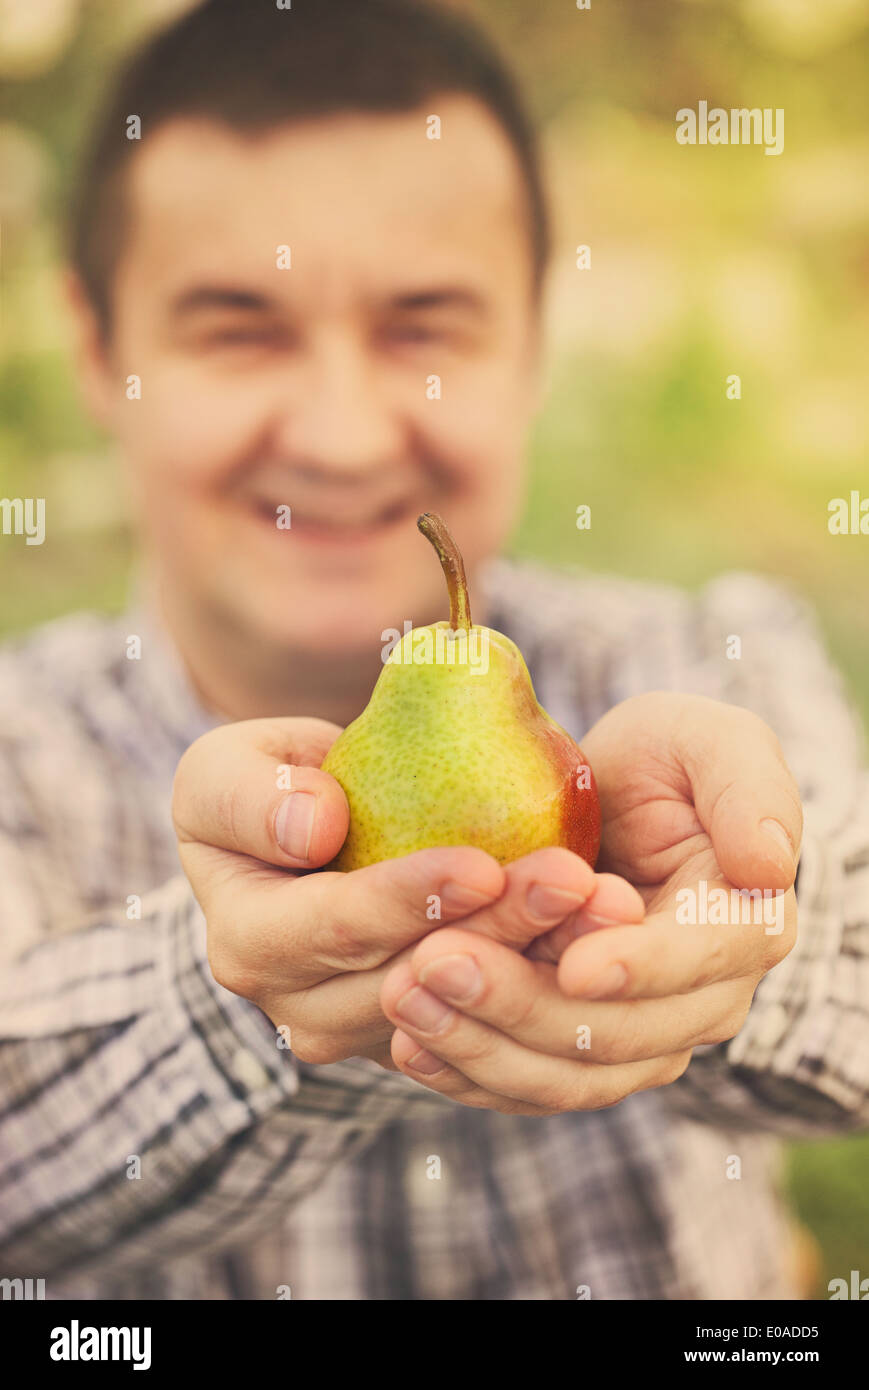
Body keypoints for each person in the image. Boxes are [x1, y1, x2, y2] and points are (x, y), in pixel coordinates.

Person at [0, 0, 866, 1301]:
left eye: (425, 327)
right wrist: (243, 990)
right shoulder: (17, 759)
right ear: (96, 347)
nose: (343, 437)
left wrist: (737, 929)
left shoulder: (704, 654)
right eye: (238, 327)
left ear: (528, 345)